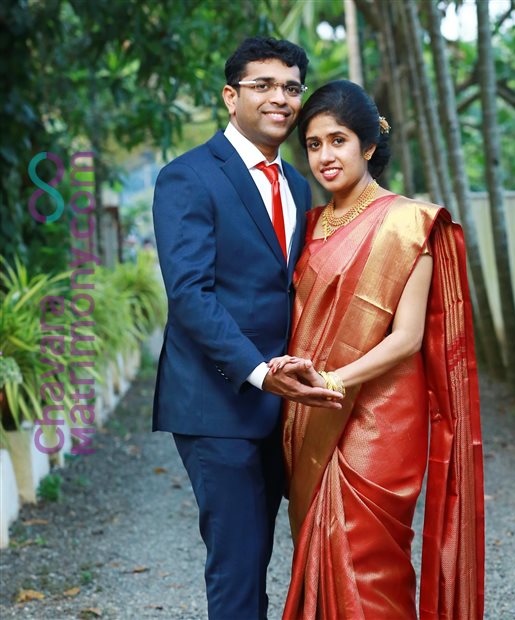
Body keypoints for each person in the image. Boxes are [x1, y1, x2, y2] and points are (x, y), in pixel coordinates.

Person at [269, 80, 485, 619]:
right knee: (316, 545)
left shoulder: (409, 224)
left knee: (370, 560)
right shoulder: (310, 227)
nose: (324, 156)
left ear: (367, 145)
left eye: (337, 140)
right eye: (313, 144)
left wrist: (335, 380)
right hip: (311, 409)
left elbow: (407, 338)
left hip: (381, 416)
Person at [151, 38, 342, 620]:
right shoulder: (187, 178)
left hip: (284, 406)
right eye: (263, 85)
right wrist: (258, 373)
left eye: (291, 87)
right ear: (231, 97)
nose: (279, 98)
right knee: (237, 565)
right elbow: (190, 294)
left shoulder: (299, 184)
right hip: (219, 401)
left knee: (264, 555)